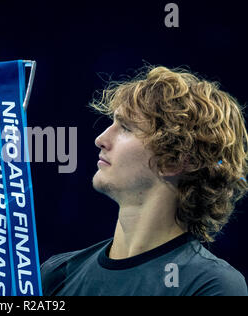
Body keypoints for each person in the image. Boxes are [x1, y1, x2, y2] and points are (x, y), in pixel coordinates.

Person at [41, 66, 248, 296]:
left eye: (126, 128)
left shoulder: (211, 285)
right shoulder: (58, 273)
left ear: (175, 160)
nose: (101, 139)